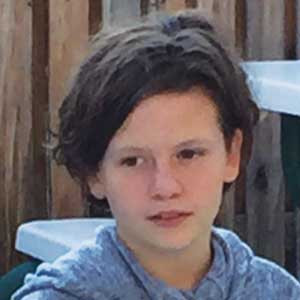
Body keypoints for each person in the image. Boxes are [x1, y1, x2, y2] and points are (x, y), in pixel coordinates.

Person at [12, 9, 300, 300]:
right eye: (133, 161)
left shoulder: (277, 291)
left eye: (188, 154)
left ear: (231, 154)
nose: (165, 187)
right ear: (94, 173)